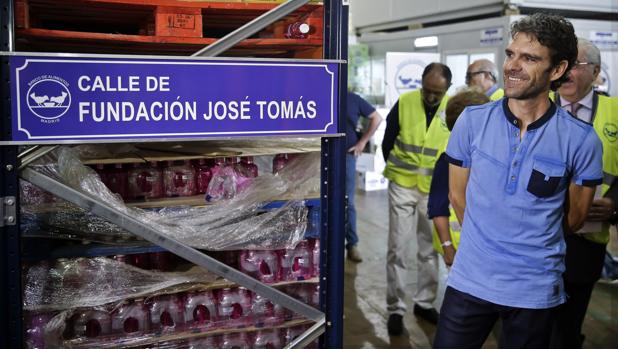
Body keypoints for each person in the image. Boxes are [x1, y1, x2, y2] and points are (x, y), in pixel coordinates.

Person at [434, 13, 604, 349]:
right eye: (511, 54)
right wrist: (488, 242)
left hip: (535, 292)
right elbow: (456, 195)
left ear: (557, 70)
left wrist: (528, 245)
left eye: (529, 58)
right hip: (470, 282)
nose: (513, 65)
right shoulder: (472, 121)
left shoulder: (581, 141)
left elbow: (575, 218)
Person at [550, 38, 618, 349]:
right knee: (530, 323)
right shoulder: (535, 106)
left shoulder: (616, 112)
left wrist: (615, 205)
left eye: (574, 64)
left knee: (568, 323)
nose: (564, 71)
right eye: (560, 62)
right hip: (537, 238)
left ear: (595, 71)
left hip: (586, 241)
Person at [382, 62, 452, 335]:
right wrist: (398, 169)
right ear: (421, 83)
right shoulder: (406, 101)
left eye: (437, 92)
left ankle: (424, 302)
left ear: (447, 88)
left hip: (434, 189)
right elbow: (388, 141)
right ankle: (395, 308)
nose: (431, 97)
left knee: (429, 249)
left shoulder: (454, 108)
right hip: (402, 184)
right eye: (427, 90)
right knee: (397, 248)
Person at [427, 89, 490, 267]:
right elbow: (437, 207)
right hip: (461, 248)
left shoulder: (492, 156)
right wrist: (448, 247)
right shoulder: (447, 161)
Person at [345, 91, 383, 263]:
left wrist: (362, 142)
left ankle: (352, 244)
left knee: (348, 202)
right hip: (321, 155)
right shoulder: (321, 93)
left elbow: (377, 117)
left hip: (347, 155)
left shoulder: (353, 99)